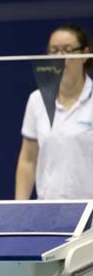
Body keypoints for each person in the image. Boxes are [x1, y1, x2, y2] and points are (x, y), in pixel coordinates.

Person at [15, 23, 93, 200]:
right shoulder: (37, 100)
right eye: (54, 50)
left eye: (68, 50)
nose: (60, 57)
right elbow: (28, 159)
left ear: (85, 54)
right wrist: (19, 207)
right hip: (48, 208)